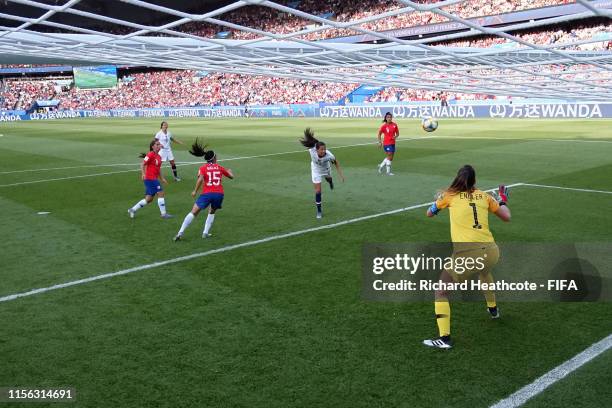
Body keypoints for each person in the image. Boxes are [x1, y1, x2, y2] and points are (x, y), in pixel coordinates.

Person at [423, 165, 511, 349]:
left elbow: (429, 213)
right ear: (475, 181)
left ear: (458, 179)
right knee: (484, 272)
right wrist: (502, 200)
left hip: (469, 254)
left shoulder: (449, 196)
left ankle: (444, 339)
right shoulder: (485, 196)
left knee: (440, 291)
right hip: (492, 251)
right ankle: (493, 309)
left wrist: (438, 202)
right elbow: (506, 217)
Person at [174, 139, 234, 241]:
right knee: (212, 211)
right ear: (214, 158)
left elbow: (200, 179)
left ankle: (180, 233)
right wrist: (230, 171)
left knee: (193, 212)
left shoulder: (203, 168)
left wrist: (195, 191)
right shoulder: (220, 167)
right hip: (219, 194)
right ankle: (205, 233)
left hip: (207, 194)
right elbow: (231, 177)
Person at [300, 127, 345, 219]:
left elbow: (336, 163)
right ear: (316, 150)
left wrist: (341, 176)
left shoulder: (329, 156)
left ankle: (330, 182)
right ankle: (319, 211)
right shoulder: (312, 150)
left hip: (326, 169)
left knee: (328, 179)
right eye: (321, 149)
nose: (324, 151)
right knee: (318, 191)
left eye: (325, 149)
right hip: (316, 170)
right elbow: (311, 143)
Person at [128, 139, 173, 219]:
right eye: (157, 144)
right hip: (149, 178)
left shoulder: (159, 157)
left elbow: (158, 169)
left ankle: (132, 209)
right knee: (161, 193)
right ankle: (163, 214)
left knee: (149, 199)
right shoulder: (150, 154)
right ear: (153, 147)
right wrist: (143, 173)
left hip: (153, 178)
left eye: (159, 144)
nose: (159, 145)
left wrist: (162, 178)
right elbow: (142, 164)